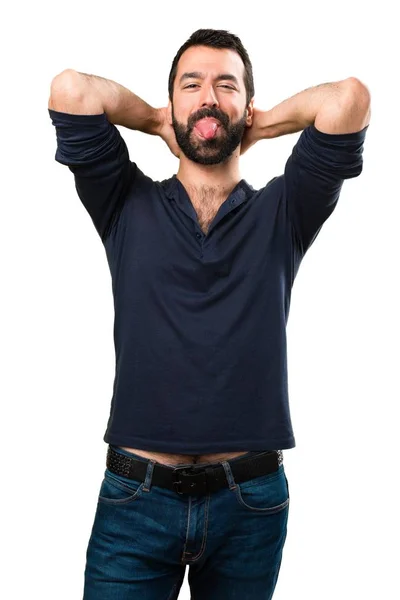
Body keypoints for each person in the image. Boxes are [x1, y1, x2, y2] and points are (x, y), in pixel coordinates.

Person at [48, 28, 370, 600]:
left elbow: (347, 99)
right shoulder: (124, 201)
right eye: (190, 85)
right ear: (171, 102)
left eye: (227, 86)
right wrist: (153, 120)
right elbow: (71, 90)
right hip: (135, 502)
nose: (208, 98)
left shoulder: (284, 210)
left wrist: (259, 127)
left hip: (248, 502)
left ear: (247, 105)